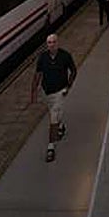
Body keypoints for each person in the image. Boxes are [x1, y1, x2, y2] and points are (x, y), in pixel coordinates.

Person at [31, 33, 77, 163]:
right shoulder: (43, 58)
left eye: (53, 42)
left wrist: (68, 86)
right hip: (46, 93)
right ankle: (61, 126)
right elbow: (38, 74)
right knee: (53, 115)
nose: (51, 45)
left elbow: (73, 70)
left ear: (57, 43)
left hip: (59, 93)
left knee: (53, 119)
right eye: (49, 43)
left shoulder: (65, 56)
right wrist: (33, 92)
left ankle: (51, 147)